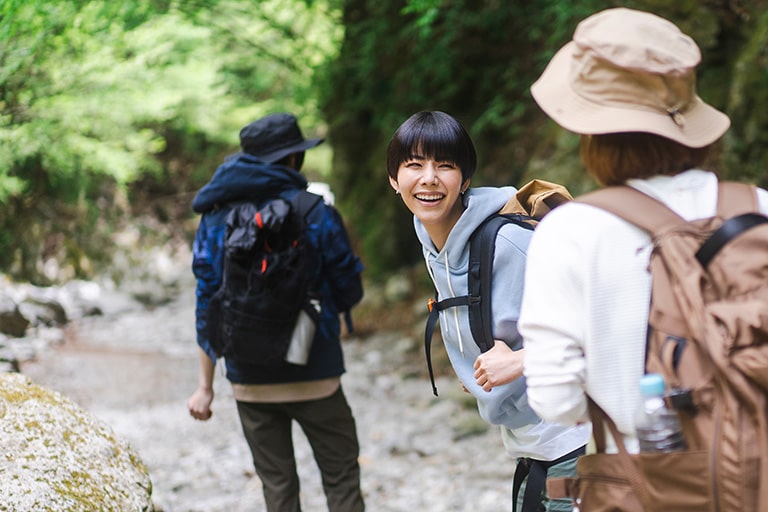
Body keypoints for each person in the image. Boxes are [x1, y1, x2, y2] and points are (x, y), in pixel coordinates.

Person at [519, 7, 768, 455]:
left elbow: (555, 399)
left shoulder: (571, 231)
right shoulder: (758, 207)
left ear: (591, 130)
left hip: (646, 477)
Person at [386, 110, 591, 512]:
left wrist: (521, 360)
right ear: (394, 180)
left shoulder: (511, 242)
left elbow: (606, 322)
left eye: (445, 165)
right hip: (530, 443)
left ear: (464, 180)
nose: (429, 177)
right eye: (414, 165)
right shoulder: (435, 239)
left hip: (575, 436)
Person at [187, 112, 366, 512]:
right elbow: (348, 285)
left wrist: (205, 385)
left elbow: (207, 300)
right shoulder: (314, 210)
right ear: (291, 160)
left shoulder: (215, 217)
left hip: (249, 379)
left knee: (278, 487)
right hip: (316, 372)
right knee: (341, 480)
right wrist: (332, 311)